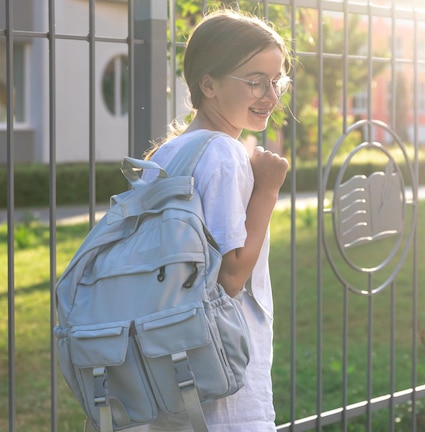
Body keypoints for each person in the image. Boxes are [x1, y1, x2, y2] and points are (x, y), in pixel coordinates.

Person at [137, 8, 290, 432]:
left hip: (174, 358)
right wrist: (268, 190)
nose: (271, 96)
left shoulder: (167, 152)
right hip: (225, 372)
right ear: (209, 84)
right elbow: (232, 274)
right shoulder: (223, 154)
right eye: (256, 81)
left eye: (276, 82)